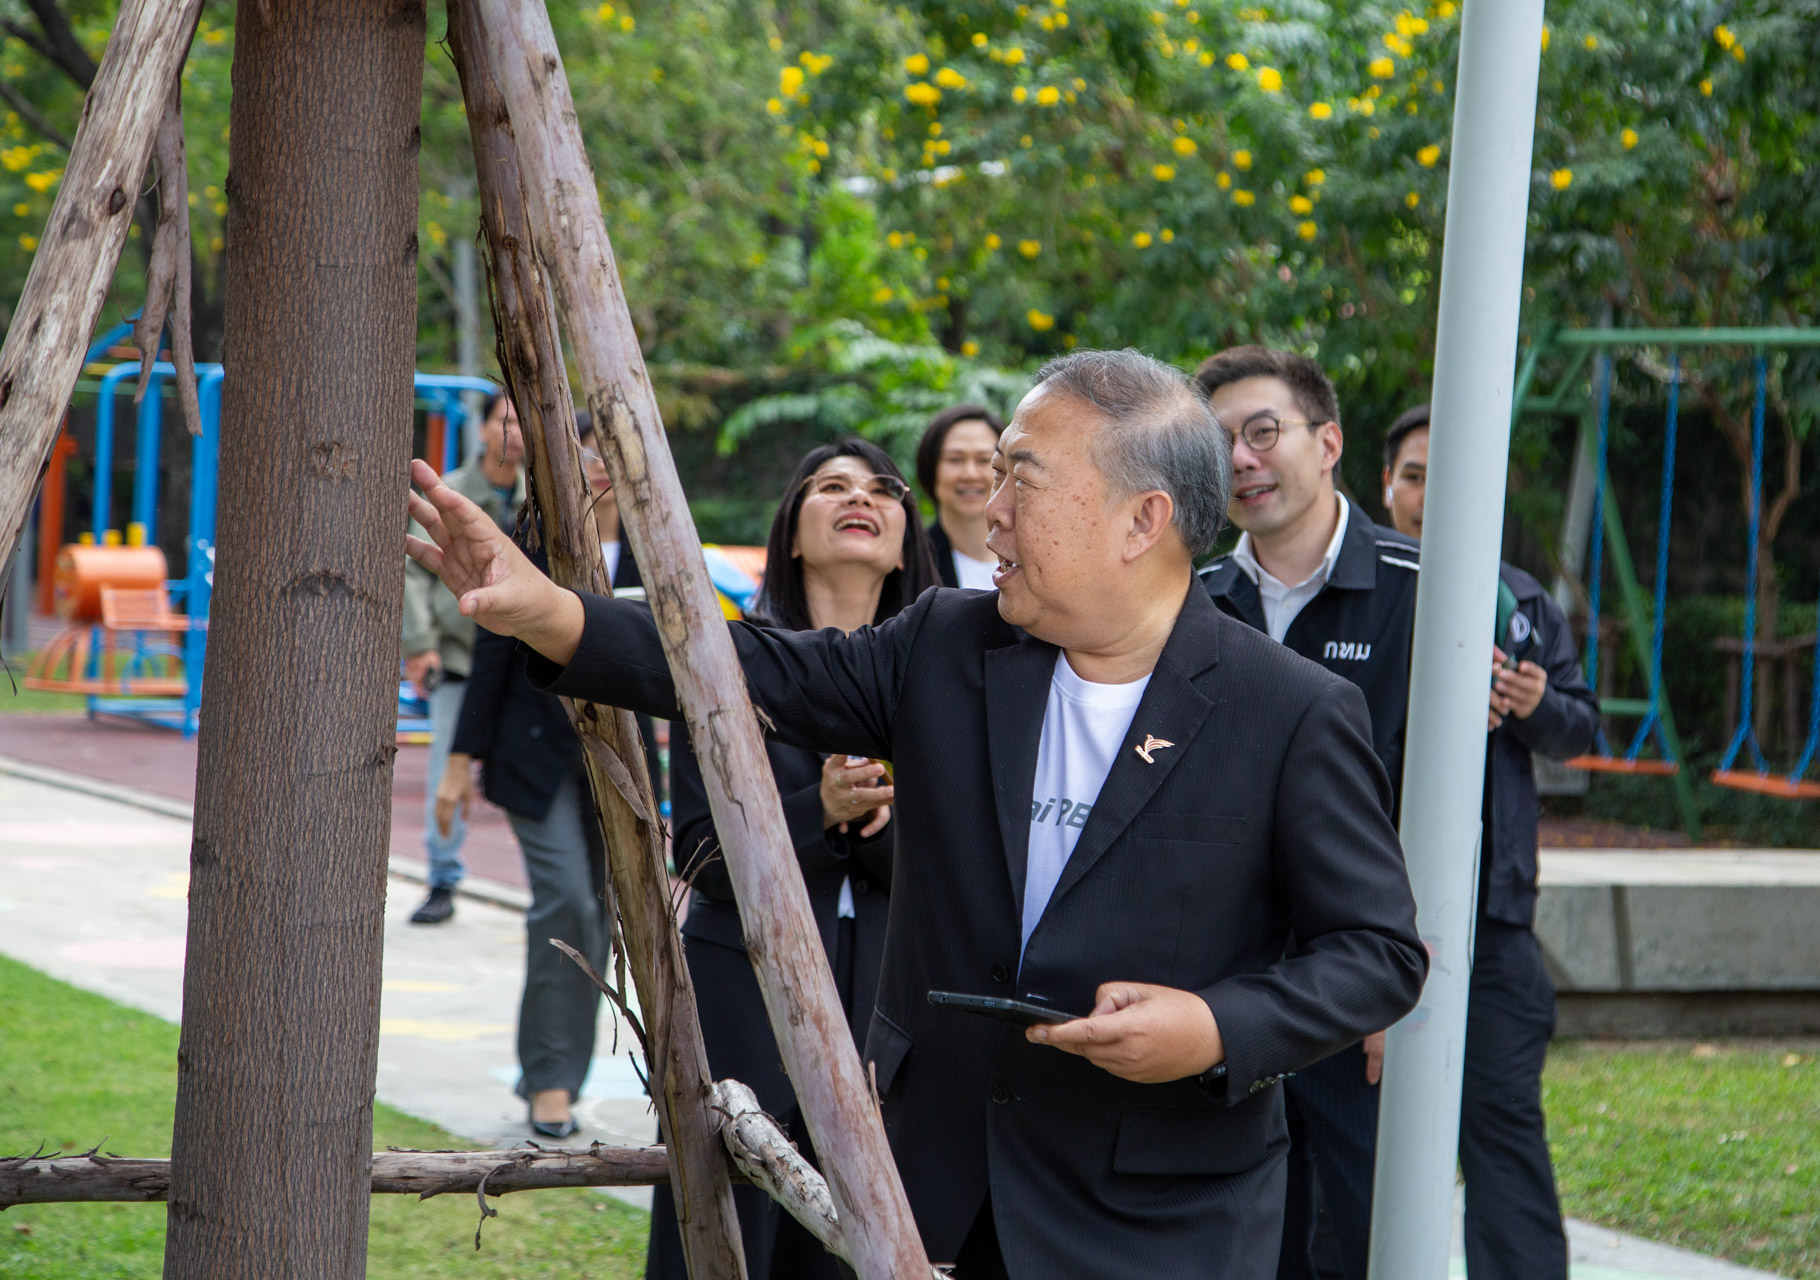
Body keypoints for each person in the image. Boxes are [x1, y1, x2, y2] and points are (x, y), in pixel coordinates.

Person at [405, 347, 1427, 1280]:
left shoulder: (1287, 710)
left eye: (1022, 477)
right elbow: (747, 663)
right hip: (927, 1194)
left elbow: (1376, 950)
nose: (989, 509)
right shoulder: (946, 644)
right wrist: (551, 612)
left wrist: (1213, 1025)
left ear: (1140, 519)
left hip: (1156, 1215)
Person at [647, 440, 938, 1280]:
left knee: (858, 1242)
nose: (864, 498)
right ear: (793, 534)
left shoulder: (945, 678)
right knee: (725, 1231)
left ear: (902, 538)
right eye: (834, 487)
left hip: (889, 1001)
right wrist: (821, 812)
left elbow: (968, 870)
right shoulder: (725, 661)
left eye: (884, 490)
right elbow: (700, 856)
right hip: (744, 993)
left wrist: (881, 832)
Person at [1192, 346, 1420, 1280]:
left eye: (1262, 432)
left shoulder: (1425, 589)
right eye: (1218, 444)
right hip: (1229, 993)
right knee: (1243, 1238)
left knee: (1367, 1233)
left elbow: (1455, 803)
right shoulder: (1192, 603)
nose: (1242, 459)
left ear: (1327, 443)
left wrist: (1398, 975)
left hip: (1365, 983)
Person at [1382, 403, 1598, 1280]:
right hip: (1364, 914)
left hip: (1495, 916)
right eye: (1415, 476)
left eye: (1451, 477)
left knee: (1502, 1118)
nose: (1432, 497)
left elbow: (1578, 729)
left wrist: (1534, 706)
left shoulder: (1522, 599)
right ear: (1383, 484)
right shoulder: (1364, 584)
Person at [435, 414, 631, 1140]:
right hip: (535, 758)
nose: (601, 464)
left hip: (621, 768)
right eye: (587, 451)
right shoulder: (531, 543)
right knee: (568, 904)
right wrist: (457, 765)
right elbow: (491, 659)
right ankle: (550, 1081)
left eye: (614, 451)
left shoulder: (653, 553)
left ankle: (551, 1068)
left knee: (605, 915)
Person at [399, 392, 525, 924]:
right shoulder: (447, 496)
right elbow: (413, 574)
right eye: (506, 421)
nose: (515, 433)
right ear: (483, 430)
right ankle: (443, 879)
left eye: (524, 424)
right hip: (460, 658)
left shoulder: (540, 503)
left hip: (521, 664)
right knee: (445, 772)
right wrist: (420, 644)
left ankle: (551, 885)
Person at [915, 403, 1006, 589]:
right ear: (931, 469)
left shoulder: (1034, 559)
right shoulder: (911, 561)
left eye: (984, 460)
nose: (970, 474)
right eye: (954, 459)